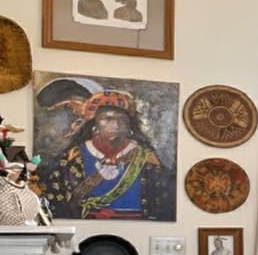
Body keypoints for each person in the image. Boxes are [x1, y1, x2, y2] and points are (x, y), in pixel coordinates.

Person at [43, 88, 175, 219]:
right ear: (95, 123)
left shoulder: (146, 157)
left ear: (130, 125)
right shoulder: (75, 156)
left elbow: (163, 199)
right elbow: (56, 199)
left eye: (121, 119)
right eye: (106, 118)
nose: (115, 125)